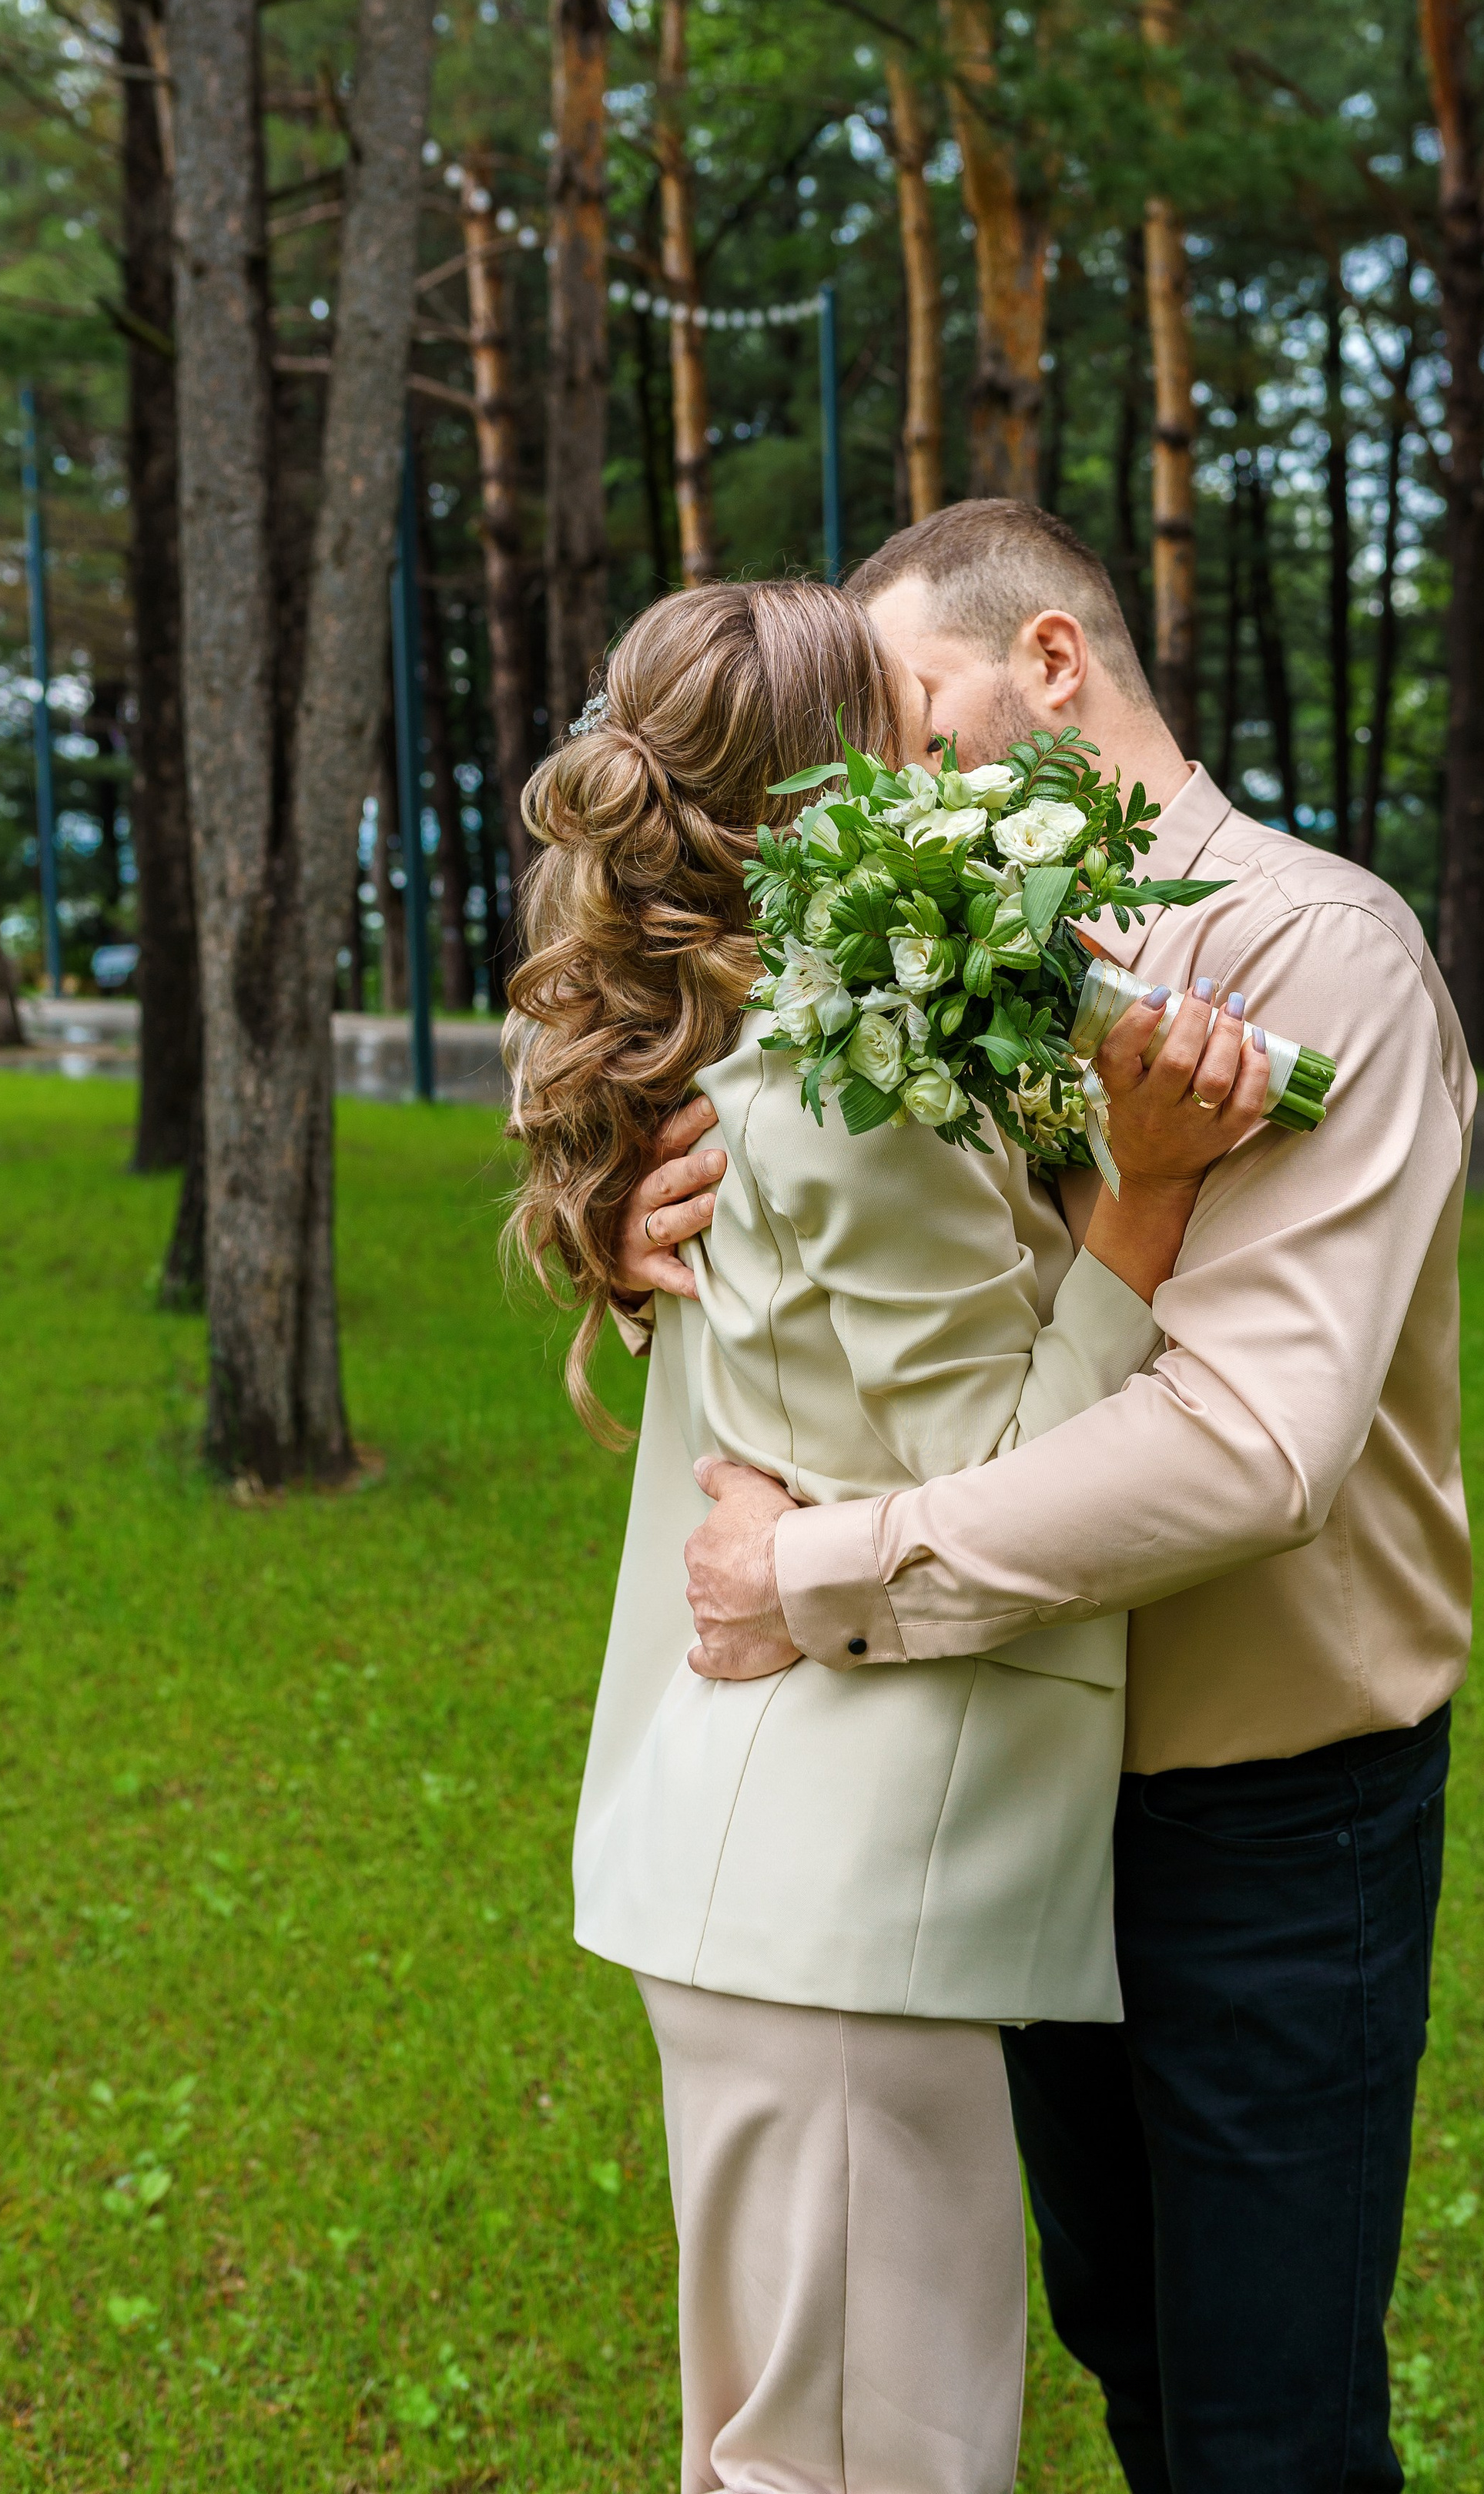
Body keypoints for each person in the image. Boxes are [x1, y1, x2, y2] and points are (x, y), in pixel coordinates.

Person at [620, 501, 1476, 2494]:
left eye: (920, 731)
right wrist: (638, 1210)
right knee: (1134, 2360)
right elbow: (861, 1275)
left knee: (1267, 2425)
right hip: (1026, 1777)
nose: (883, 797)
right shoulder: (931, 953)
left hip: (1267, 1816)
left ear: (1057, 669)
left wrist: (818, 1575)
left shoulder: (1310, 953)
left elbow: (1243, 1446)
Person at [505, 577, 1267, 2494]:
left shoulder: (728, 1070)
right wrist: (1141, 1212)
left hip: (781, 1887)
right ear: (838, 795)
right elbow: (1009, 1458)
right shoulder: (849, 1104)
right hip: (842, 1902)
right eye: (911, 743)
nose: (945, 771)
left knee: (789, 2457)